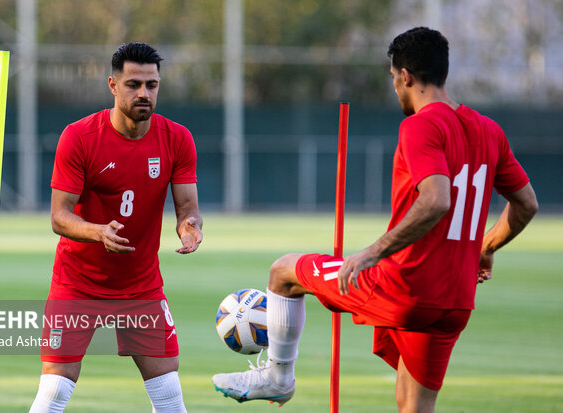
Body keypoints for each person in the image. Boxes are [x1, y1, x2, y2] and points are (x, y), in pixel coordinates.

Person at [212, 27, 538, 412]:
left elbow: (436, 200)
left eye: (393, 80)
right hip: (454, 302)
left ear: (405, 76)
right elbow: (526, 205)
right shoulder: (489, 130)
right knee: (413, 405)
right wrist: (484, 247)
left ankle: (278, 378)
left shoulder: (421, 124)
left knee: (284, 272)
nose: (396, 90)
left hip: (404, 287)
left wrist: (370, 253)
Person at [29, 42, 202, 413]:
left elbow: (188, 208)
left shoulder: (177, 138)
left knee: (170, 395)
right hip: (78, 283)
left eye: (152, 85)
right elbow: (59, 216)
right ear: (113, 85)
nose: (144, 93)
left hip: (140, 285)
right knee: (54, 393)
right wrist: (97, 232)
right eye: (133, 84)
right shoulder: (79, 137)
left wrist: (190, 228)